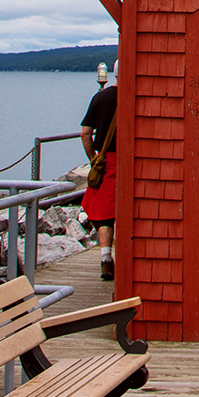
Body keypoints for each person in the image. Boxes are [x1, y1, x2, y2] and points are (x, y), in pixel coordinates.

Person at [79, 73, 119, 281]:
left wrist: (94, 158)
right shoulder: (138, 95)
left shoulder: (100, 97)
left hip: (107, 161)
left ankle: (106, 259)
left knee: (104, 213)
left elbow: (86, 133)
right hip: (135, 159)